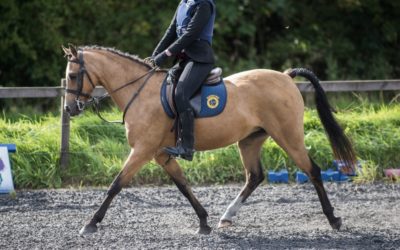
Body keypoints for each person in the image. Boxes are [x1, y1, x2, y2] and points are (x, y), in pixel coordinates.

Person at [147, 0, 216, 161]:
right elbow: (171, 32)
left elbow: (190, 35)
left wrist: (164, 56)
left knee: (181, 93)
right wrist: (153, 57)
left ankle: (187, 146)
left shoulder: (204, 4)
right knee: (165, 88)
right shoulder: (184, 3)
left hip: (200, 59)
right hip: (185, 59)